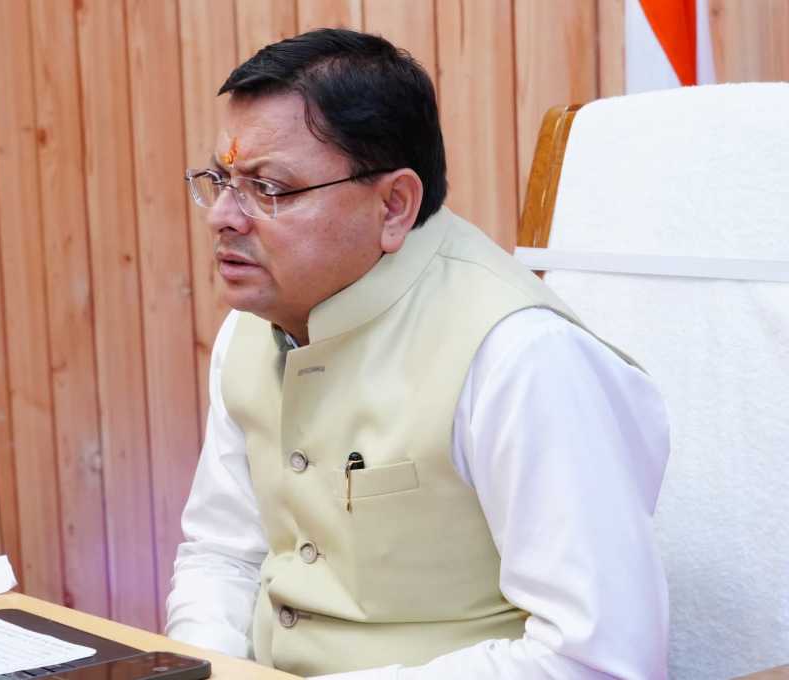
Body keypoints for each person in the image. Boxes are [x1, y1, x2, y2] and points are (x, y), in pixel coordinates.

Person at [164, 28, 670, 680]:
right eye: (221, 180)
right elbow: (221, 553)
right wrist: (208, 668)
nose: (223, 218)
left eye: (269, 189)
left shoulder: (519, 355)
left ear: (395, 206)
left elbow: (600, 659)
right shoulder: (251, 329)